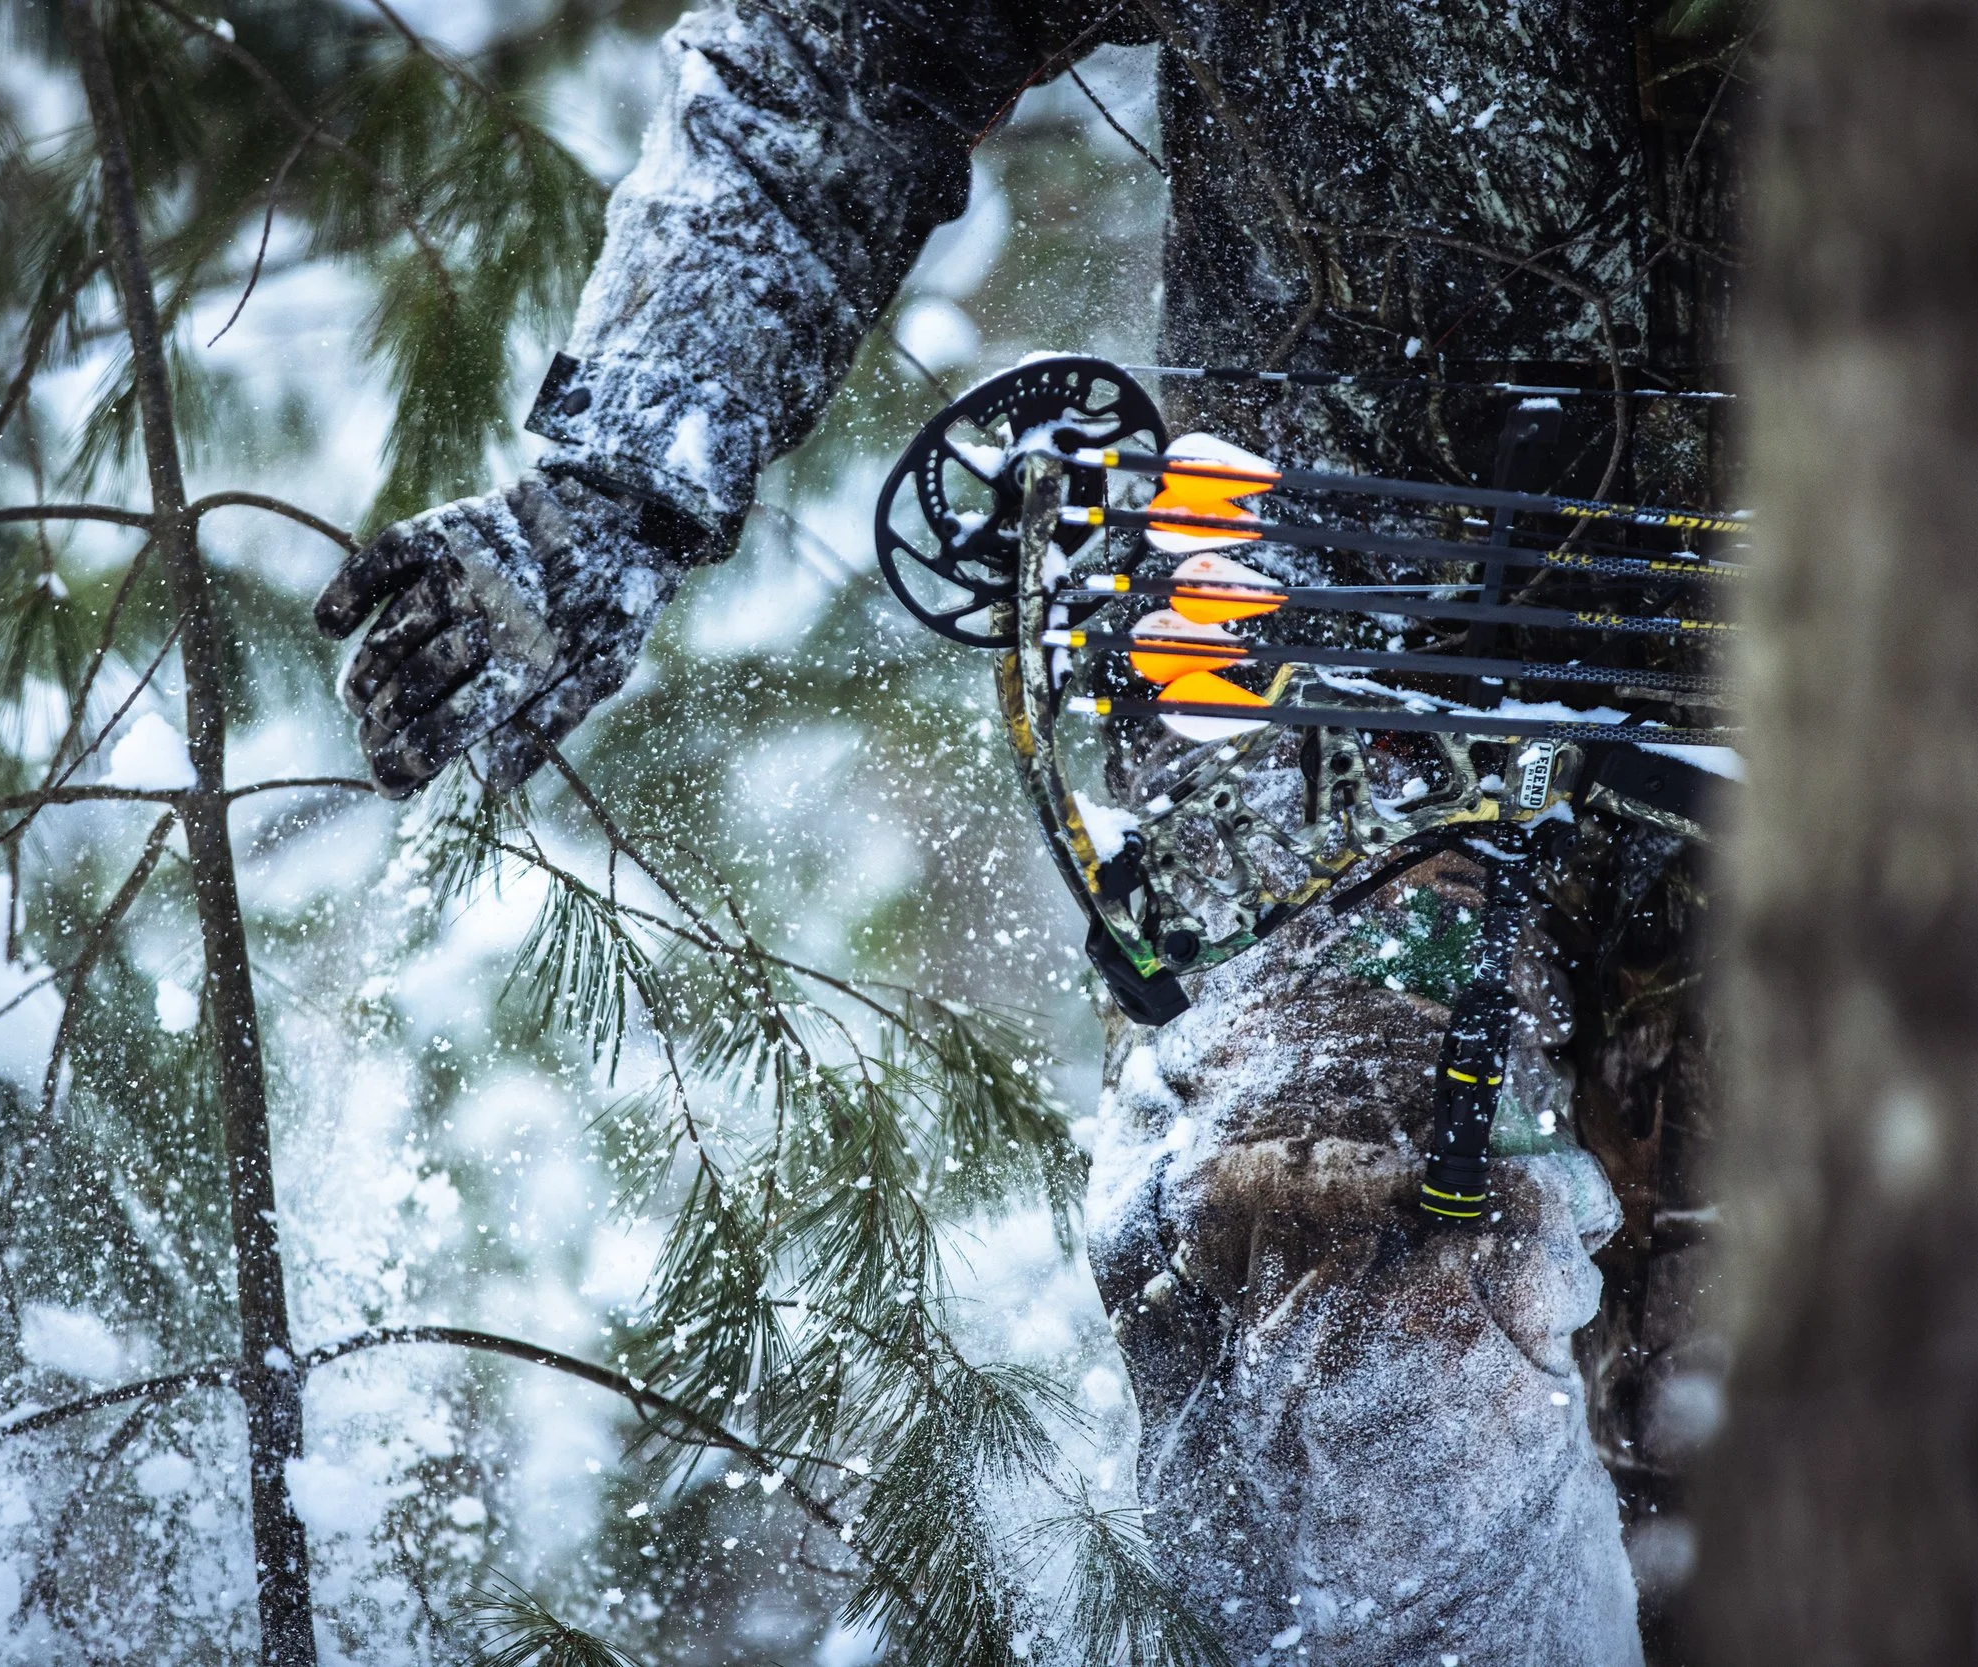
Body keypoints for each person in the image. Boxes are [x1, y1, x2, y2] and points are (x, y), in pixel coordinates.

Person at [314, 4, 1736, 1660]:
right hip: (1326, 715)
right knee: (1349, 1298)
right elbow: (837, 54)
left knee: (1822, 1416)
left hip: (1908, 728)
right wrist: (608, 490)